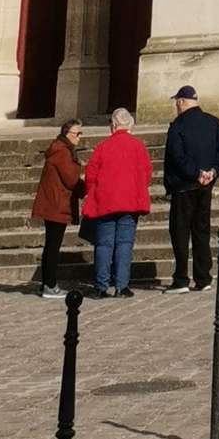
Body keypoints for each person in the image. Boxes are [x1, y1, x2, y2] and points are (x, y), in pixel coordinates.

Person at [162, 83, 219, 291]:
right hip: (205, 186)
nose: (176, 106)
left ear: (182, 102)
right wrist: (212, 172)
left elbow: (177, 156)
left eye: (177, 102)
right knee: (201, 231)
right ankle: (203, 277)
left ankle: (181, 278)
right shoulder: (213, 122)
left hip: (184, 186)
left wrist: (196, 173)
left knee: (180, 232)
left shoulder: (178, 126)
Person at [82, 105, 153, 298]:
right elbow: (146, 174)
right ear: (130, 125)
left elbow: (91, 175)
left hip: (105, 201)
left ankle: (101, 286)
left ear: (113, 125)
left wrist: (92, 192)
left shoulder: (103, 147)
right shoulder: (138, 146)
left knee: (103, 244)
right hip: (130, 202)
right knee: (124, 243)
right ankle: (122, 286)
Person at [30, 118, 87, 297]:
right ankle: (50, 285)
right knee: (53, 246)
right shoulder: (62, 152)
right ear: (67, 134)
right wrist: (86, 183)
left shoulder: (60, 149)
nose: (79, 137)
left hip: (54, 203)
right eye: (77, 133)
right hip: (56, 204)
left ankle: (47, 284)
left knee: (51, 245)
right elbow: (71, 179)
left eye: (81, 133)